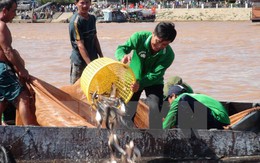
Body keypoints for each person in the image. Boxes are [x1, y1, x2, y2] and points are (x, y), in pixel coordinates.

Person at [115, 22, 177, 113]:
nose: (159, 46)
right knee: (127, 111)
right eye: (158, 41)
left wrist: (139, 83)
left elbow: (155, 75)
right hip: (133, 79)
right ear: (153, 33)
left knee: (155, 109)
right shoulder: (139, 37)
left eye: (164, 44)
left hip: (153, 82)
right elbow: (121, 49)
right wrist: (122, 56)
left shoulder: (169, 55)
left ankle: (155, 126)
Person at [0, 0, 38, 125]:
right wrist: (22, 69)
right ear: (4, 10)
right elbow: (7, 50)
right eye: (13, 11)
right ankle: (30, 134)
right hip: (2, 69)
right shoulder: (1, 26)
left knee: (3, 101)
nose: (15, 14)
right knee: (23, 98)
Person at [163, 85, 230, 129]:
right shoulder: (194, 97)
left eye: (168, 99)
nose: (169, 103)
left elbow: (169, 120)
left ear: (173, 95)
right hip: (219, 120)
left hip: (218, 118)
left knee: (183, 99)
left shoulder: (181, 97)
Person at [69, 0, 103, 84]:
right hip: (79, 61)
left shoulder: (92, 18)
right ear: (76, 4)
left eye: (87, 2)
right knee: (75, 88)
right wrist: (90, 65)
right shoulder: (76, 22)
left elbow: (95, 38)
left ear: (90, 3)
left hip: (93, 58)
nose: (85, 5)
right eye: (82, 3)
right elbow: (80, 45)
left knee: (93, 87)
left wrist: (101, 57)